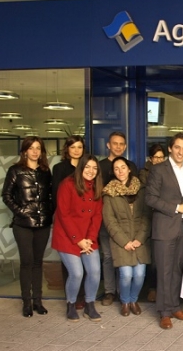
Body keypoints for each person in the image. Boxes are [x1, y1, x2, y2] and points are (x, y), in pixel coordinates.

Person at [145, 133, 183, 330]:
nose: (181, 152)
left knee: (177, 270)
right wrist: (177, 207)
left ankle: (175, 306)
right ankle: (164, 312)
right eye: (178, 147)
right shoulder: (158, 169)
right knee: (164, 271)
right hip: (164, 228)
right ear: (170, 148)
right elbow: (150, 198)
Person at [1, 136, 54, 317]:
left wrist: (49, 213)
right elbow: (6, 196)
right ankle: (26, 302)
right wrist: (21, 212)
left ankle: (38, 301)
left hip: (43, 224)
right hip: (23, 224)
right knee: (27, 262)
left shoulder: (46, 171)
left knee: (38, 263)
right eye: (31, 148)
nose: (35, 151)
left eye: (38, 148)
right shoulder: (15, 170)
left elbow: (50, 197)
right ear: (24, 151)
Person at [51, 154, 103, 322]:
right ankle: (71, 304)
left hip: (88, 238)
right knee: (77, 273)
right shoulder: (67, 184)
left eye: (95, 168)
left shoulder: (96, 187)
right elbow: (63, 215)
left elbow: (97, 216)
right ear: (80, 167)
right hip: (67, 236)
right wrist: (78, 239)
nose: (91, 171)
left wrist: (89, 238)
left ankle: (90, 304)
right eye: (87, 167)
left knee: (95, 271)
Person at [102, 157, 150, 317]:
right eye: (116, 168)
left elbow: (146, 216)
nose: (120, 171)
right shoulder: (109, 193)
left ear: (129, 169)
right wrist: (124, 242)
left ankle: (133, 300)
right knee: (126, 274)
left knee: (139, 274)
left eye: (123, 167)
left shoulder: (141, 189)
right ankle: (125, 302)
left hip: (139, 239)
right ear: (113, 172)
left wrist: (140, 239)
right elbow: (110, 221)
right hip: (120, 240)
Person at [98, 131, 138, 306]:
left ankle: (125, 293)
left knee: (125, 256)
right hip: (107, 218)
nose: (118, 147)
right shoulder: (99, 167)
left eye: (122, 144)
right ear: (108, 145)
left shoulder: (132, 166)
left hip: (127, 223)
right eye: (115, 143)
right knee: (108, 256)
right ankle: (109, 291)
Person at [52, 135, 86, 309]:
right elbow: (56, 196)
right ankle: (71, 297)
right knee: (70, 263)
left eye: (79, 147)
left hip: (84, 222)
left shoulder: (87, 168)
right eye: (73, 147)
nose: (76, 150)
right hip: (66, 221)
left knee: (84, 260)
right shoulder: (60, 168)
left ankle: (82, 296)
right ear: (67, 149)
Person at [139, 143, 165, 303]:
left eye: (161, 157)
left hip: (162, 217)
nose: (158, 160)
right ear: (150, 158)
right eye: (156, 157)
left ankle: (158, 288)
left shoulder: (168, 171)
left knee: (158, 257)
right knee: (150, 256)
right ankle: (151, 288)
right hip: (147, 215)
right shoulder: (144, 173)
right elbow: (149, 194)